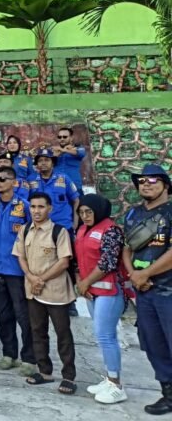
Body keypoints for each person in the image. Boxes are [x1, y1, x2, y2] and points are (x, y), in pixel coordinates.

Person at [14, 192, 77, 395]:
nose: (36, 211)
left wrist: (41, 279)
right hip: (33, 290)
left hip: (55, 291)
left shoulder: (59, 231)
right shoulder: (25, 230)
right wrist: (32, 278)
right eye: (33, 207)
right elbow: (21, 257)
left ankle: (68, 376)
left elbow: (63, 262)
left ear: (49, 208)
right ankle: (45, 371)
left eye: (41, 207)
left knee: (63, 334)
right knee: (38, 332)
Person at [123, 164, 172, 415]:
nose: (146, 183)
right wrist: (133, 274)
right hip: (144, 292)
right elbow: (127, 248)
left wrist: (145, 274)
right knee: (154, 344)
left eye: (153, 179)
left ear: (165, 184)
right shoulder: (133, 214)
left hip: (168, 291)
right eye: (141, 180)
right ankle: (168, 394)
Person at [75, 193, 128, 404]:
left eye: (89, 212)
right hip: (91, 291)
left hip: (109, 291)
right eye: (82, 212)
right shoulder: (82, 229)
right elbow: (78, 259)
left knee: (106, 336)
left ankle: (116, 384)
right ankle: (109, 378)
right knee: (102, 336)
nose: (86, 216)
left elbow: (108, 262)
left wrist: (85, 283)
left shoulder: (111, 230)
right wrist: (81, 282)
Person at [0, 166, 36, 376]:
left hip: (18, 269)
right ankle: (9, 354)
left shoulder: (24, 207)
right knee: (3, 314)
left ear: (14, 183)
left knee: (24, 315)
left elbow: (33, 236)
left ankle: (29, 358)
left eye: (2, 179)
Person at [29, 148, 80, 233]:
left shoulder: (64, 178)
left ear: (52, 163)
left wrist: (75, 223)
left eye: (47, 160)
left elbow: (76, 200)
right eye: (40, 160)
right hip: (40, 228)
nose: (43, 163)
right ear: (37, 164)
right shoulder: (30, 180)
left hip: (63, 227)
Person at [54, 128, 86, 192]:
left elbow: (81, 153)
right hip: (57, 186)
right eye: (59, 137)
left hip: (74, 186)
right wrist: (58, 154)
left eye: (65, 137)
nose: (62, 139)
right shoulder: (53, 151)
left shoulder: (78, 148)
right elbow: (49, 160)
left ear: (71, 138)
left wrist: (64, 150)